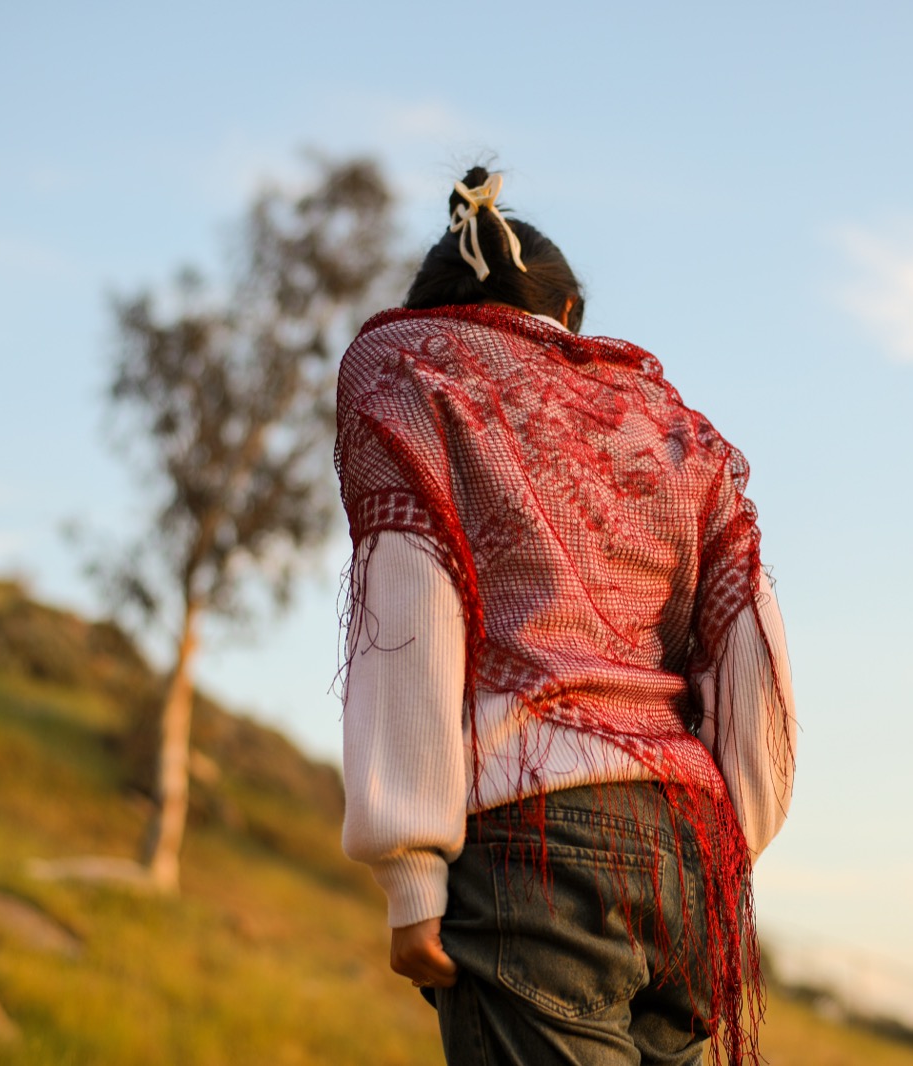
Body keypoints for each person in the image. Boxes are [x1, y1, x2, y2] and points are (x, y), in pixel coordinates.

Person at [335, 166, 796, 1065]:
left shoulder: (414, 376)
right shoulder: (670, 427)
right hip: (690, 853)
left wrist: (412, 870)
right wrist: (726, 847)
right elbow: (748, 647)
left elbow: (408, 604)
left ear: (434, 307)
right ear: (570, 311)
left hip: (534, 844)